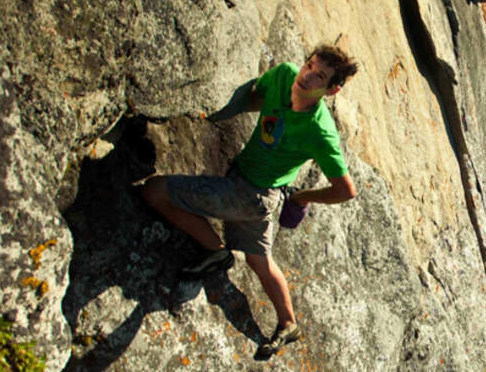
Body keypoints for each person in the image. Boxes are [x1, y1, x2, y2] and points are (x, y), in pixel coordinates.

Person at [142, 44, 358, 355]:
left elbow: (345, 190)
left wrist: (300, 197)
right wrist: (211, 109)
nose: (307, 76)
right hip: (251, 187)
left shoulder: (319, 132)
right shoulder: (284, 76)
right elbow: (255, 98)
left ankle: (214, 250)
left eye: (319, 76)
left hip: (253, 196)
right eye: (309, 65)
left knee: (154, 191)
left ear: (332, 89)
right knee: (259, 261)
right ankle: (288, 323)